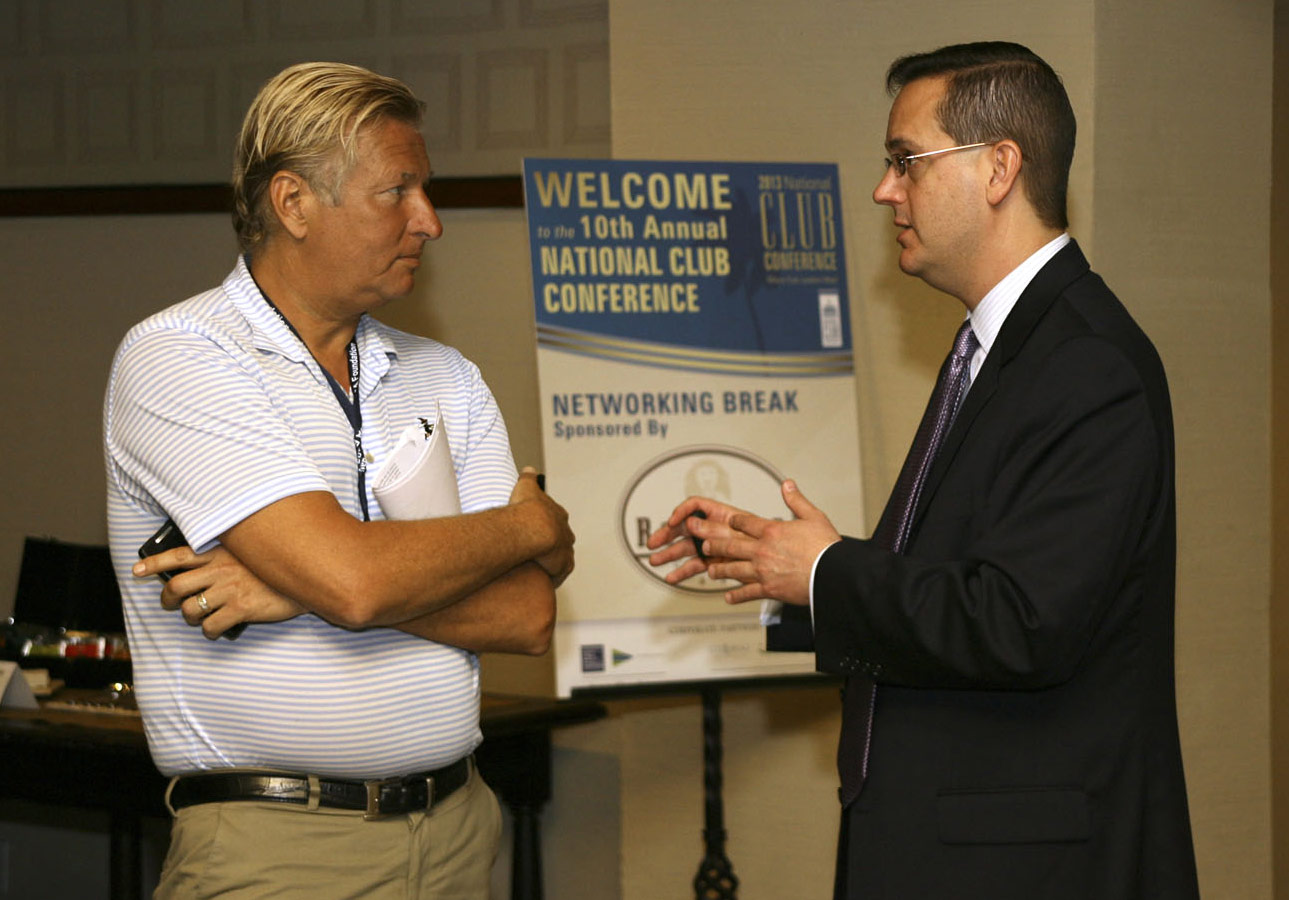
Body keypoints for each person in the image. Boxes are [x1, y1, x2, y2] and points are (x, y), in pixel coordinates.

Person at [647, 42, 1200, 899]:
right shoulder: (998, 347)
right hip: (947, 847)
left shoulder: (1089, 365)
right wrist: (786, 571)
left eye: (906, 162)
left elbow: (1020, 620)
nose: (883, 190)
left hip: (1024, 865)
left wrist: (828, 572)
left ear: (998, 168)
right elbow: (956, 579)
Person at [104, 62, 572, 898]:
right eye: (398, 192)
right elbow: (354, 584)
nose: (429, 221)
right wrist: (533, 529)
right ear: (293, 204)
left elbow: (529, 615)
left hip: (459, 830)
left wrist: (294, 589)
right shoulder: (181, 358)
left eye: (426, 191)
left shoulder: (446, 377)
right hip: (277, 848)